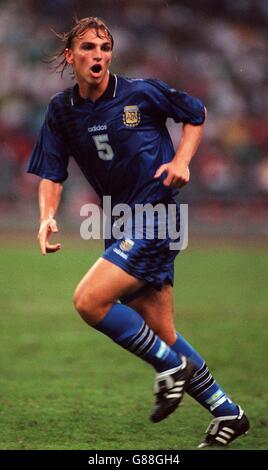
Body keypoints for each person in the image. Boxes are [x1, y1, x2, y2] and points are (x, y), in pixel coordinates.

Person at [27, 17, 249, 447]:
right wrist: (45, 215)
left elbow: (196, 113)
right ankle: (228, 412)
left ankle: (169, 368)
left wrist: (183, 160)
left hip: (157, 215)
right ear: (71, 56)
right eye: (89, 47)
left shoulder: (140, 92)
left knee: (89, 300)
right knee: (162, 333)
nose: (99, 55)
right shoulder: (61, 111)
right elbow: (51, 173)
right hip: (117, 221)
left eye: (105, 47)